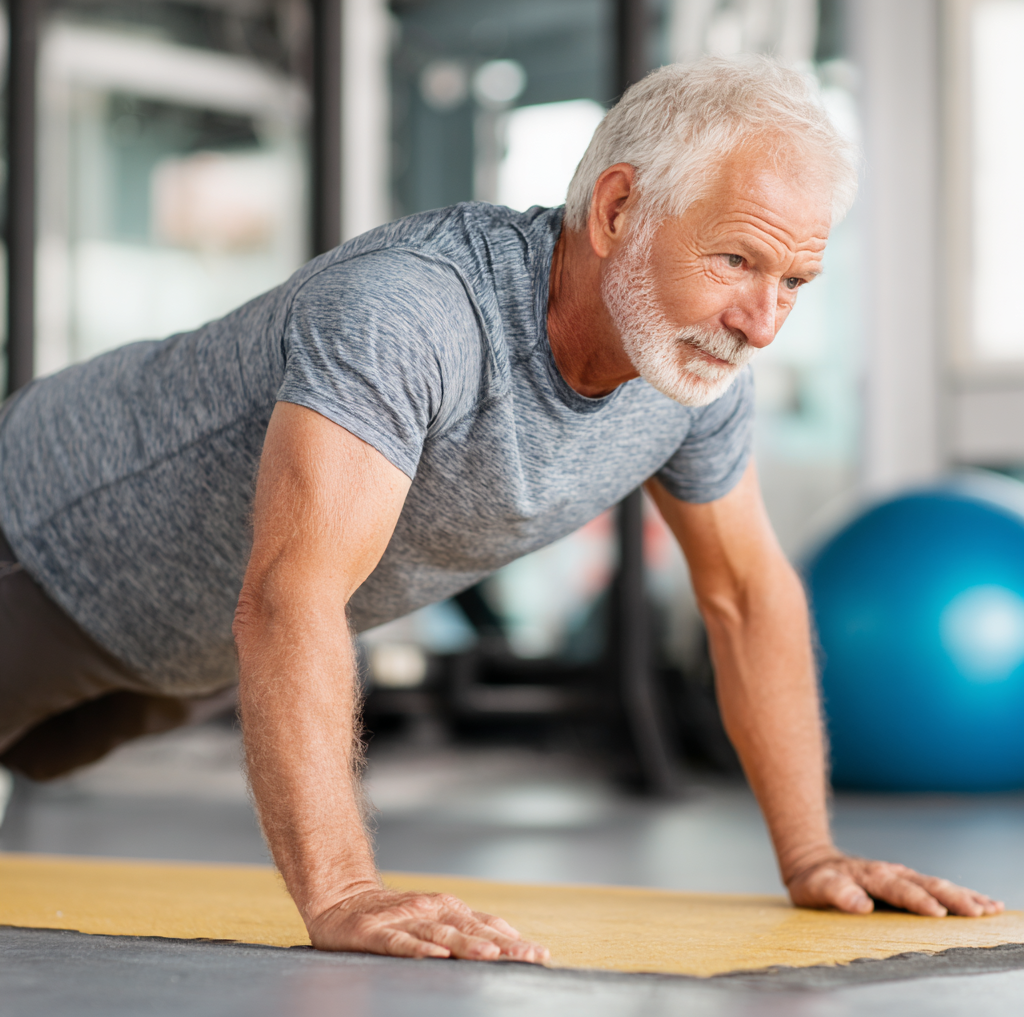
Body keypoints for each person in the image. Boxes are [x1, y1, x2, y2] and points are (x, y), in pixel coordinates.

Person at [0, 56, 1003, 963]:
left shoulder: (694, 375)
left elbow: (745, 593)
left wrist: (812, 855)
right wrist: (343, 893)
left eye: (794, 281)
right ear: (617, 210)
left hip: (179, 655)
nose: (762, 324)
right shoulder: (413, 311)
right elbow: (289, 597)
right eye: (736, 261)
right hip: (38, 546)